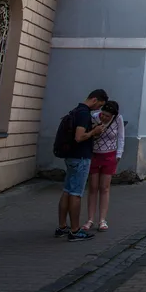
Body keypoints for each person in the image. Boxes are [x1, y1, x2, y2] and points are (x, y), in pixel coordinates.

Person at [56, 89, 109, 241]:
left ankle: (62, 227)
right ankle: (75, 230)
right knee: (76, 194)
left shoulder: (75, 110)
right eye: (99, 105)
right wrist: (94, 132)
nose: (98, 109)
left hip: (71, 156)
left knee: (67, 190)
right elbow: (79, 137)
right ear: (94, 100)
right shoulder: (84, 113)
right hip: (80, 157)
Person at [82, 100, 124, 233]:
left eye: (108, 116)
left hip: (109, 156)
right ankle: (90, 219)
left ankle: (102, 220)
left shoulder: (118, 119)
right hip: (94, 155)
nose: (104, 117)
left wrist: (119, 154)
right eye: (103, 114)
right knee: (93, 187)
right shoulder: (94, 117)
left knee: (104, 188)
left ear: (113, 115)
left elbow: (121, 137)